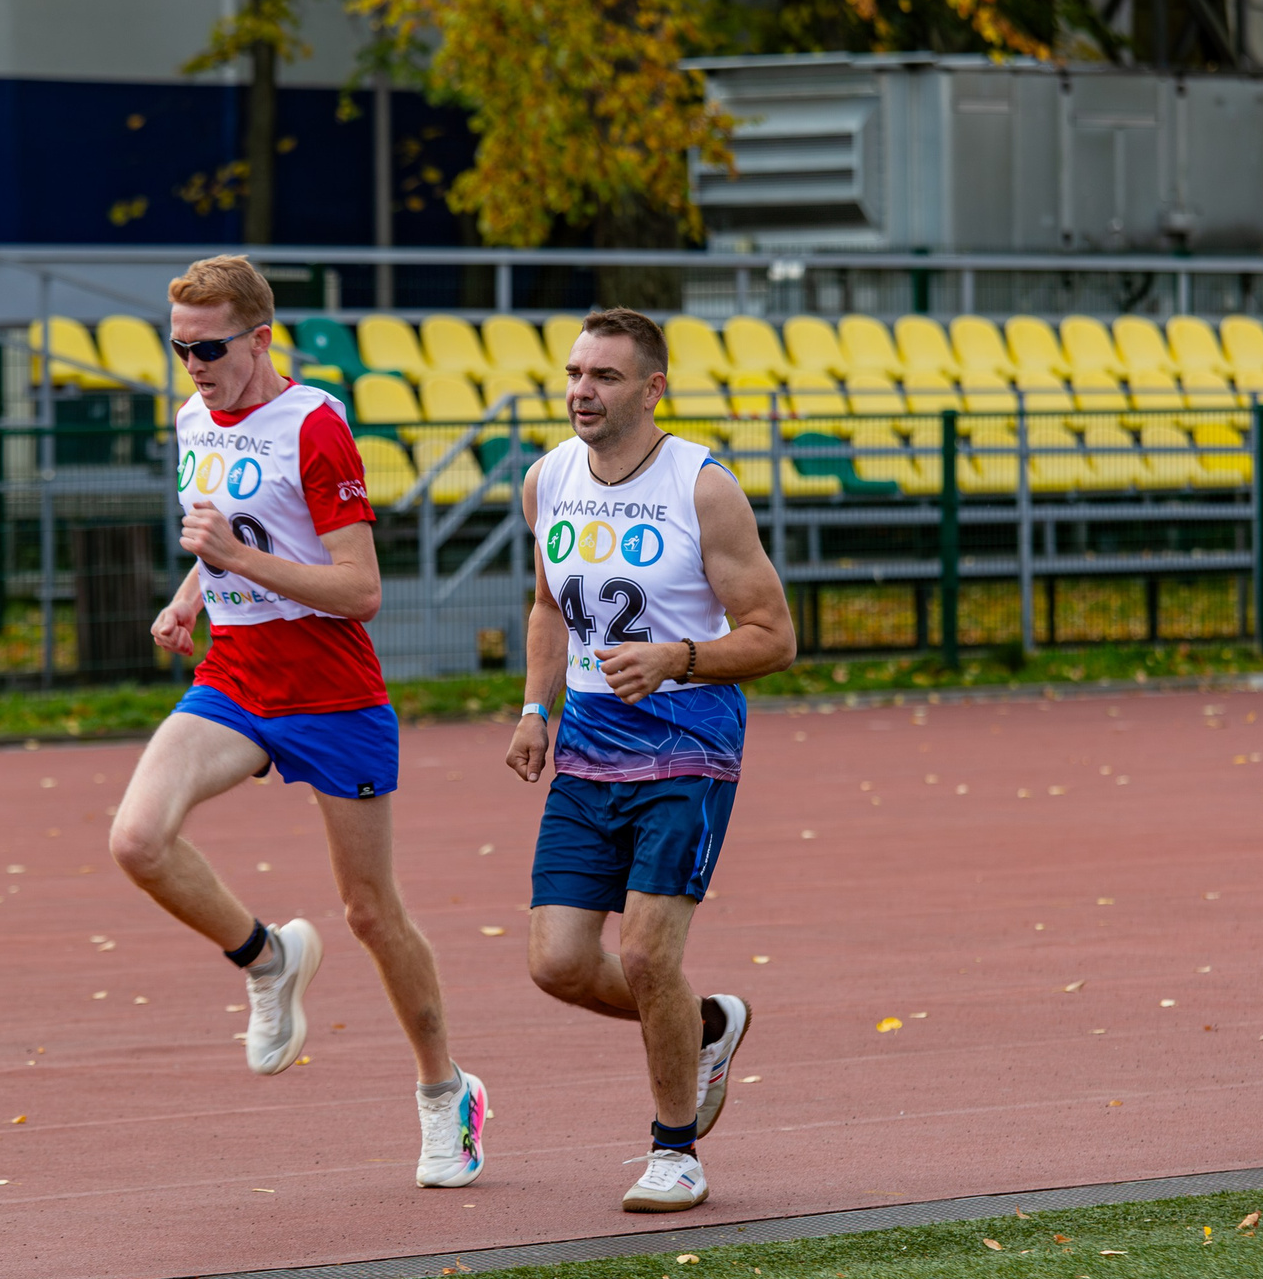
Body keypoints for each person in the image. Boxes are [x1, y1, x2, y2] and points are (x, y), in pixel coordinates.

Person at [107, 255, 485, 1186]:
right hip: (237, 673)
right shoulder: (194, 416)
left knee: (369, 910)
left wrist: (233, 556)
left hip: (330, 685)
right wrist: (194, 591)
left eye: (209, 346)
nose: (192, 364)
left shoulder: (314, 427)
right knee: (137, 839)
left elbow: (359, 589)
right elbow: (228, 530)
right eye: (178, 347)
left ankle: (448, 1095)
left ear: (261, 336)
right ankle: (267, 957)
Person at [505, 307, 797, 1212]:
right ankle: (705, 1024)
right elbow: (550, 606)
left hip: (688, 743)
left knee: (643, 955)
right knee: (556, 961)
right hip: (588, 742)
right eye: (575, 373)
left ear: (652, 388)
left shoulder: (702, 487)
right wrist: (533, 708)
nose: (582, 391)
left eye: (605, 376)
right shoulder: (548, 477)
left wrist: (679, 655)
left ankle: (677, 1151)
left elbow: (776, 636)